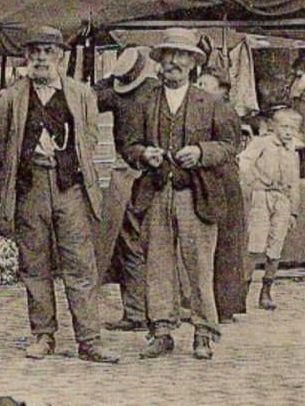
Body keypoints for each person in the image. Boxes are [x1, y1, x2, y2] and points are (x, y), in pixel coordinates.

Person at [0, 26, 118, 363]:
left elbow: (89, 139)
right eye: (35, 52)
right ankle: (43, 335)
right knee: (34, 265)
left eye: (48, 52)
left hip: (70, 190)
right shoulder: (10, 98)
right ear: (26, 57)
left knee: (81, 266)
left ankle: (89, 341)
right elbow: (2, 146)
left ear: (60, 56)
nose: (41, 59)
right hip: (30, 188)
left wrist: (68, 165)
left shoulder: (81, 94)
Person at [123, 28, 240, 360]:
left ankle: (203, 331)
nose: (174, 61)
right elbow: (128, 145)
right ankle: (161, 331)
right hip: (157, 192)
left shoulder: (211, 103)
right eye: (168, 55)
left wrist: (202, 152)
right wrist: (144, 154)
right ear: (160, 61)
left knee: (199, 265)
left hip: (195, 194)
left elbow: (230, 146)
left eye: (181, 55)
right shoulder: (145, 101)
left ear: (193, 62)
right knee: (158, 264)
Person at [94, 47, 159, 332]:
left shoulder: (116, 96)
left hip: (131, 173)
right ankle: (156, 310)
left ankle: (136, 312)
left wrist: (112, 78)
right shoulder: (157, 91)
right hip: (158, 171)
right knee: (153, 243)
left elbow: (92, 95)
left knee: (129, 242)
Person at [196, 64, 247, 325]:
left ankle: (225, 305)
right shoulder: (206, 110)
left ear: (222, 90)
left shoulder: (223, 113)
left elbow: (228, 150)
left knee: (226, 243)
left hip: (224, 182)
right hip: (214, 180)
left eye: (205, 84)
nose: (199, 88)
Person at [239, 107, 303, 311]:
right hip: (262, 196)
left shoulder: (292, 151)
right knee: (255, 244)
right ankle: (243, 291)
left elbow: (294, 182)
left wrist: (294, 211)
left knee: (276, 246)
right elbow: (243, 162)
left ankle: (266, 291)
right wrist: (253, 181)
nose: (287, 131)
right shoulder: (262, 143)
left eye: (292, 128)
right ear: (273, 126)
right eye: (284, 126)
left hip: (282, 199)